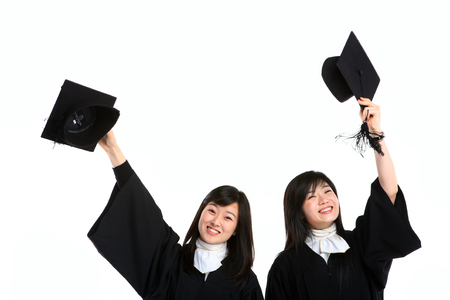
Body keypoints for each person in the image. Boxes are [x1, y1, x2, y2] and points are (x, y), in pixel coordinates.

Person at [265, 98, 421, 300]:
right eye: (311, 196)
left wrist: (375, 133)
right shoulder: (285, 266)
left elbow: (388, 193)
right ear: (299, 212)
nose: (323, 199)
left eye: (327, 191)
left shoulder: (360, 243)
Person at [88, 130, 264, 300]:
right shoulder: (170, 261)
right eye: (212, 210)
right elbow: (142, 210)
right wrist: (113, 149)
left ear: (236, 229)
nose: (216, 221)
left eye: (228, 217)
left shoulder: (245, 283)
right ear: (201, 213)